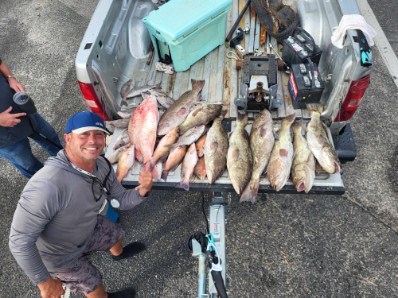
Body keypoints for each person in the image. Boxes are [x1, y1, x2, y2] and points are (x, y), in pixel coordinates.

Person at [9, 111, 153, 298]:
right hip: (59, 255)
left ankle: (118, 253)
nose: (92, 141)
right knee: (92, 282)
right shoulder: (45, 186)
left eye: (98, 134)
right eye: (84, 134)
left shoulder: (102, 165)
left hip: (87, 226)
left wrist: (143, 190)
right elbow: (19, 242)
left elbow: (121, 200)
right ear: (68, 138)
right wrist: (44, 283)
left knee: (115, 233)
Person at [0, 57, 62, 178]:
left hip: (23, 109)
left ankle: (67, 166)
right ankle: (49, 184)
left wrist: (10, 78)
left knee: (51, 139)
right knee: (28, 164)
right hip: (4, 137)